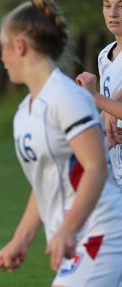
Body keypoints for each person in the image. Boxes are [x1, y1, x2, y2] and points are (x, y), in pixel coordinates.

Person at [0, 1, 122, 287]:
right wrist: (21, 239)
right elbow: (45, 183)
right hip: (80, 237)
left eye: (2, 46)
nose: (0, 57)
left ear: (20, 46)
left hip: (101, 232)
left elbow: (96, 167)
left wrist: (67, 228)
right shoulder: (25, 111)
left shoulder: (68, 98)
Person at [76, 0, 122, 188]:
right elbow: (109, 110)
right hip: (115, 167)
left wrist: (94, 96)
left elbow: (106, 102)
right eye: (107, 5)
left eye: (121, 5)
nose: (113, 13)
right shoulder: (104, 55)